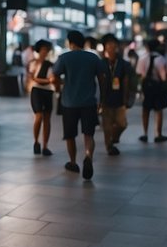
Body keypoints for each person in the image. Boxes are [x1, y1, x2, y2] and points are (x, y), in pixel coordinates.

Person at [51, 30, 104, 180]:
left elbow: (54, 76)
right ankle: (88, 155)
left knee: (70, 135)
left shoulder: (64, 57)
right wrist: (102, 100)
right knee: (89, 134)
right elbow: (101, 79)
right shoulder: (93, 58)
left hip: (69, 102)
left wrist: (57, 88)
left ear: (70, 42)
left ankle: (73, 162)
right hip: (89, 102)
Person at [100, 34, 132, 156]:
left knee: (122, 124)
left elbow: (127, 81)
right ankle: (109, 147)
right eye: (109, 46)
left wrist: (127, 98)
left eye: (114, 46)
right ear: (105, 48)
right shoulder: (101, 63)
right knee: (106, 126)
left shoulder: (123, 64)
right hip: (105, 99)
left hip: (119, 99)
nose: (112, 48)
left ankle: (114, 137)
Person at [137, 39, 167, 143]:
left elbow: (139, 74)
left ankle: (145, 133)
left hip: (146, 87)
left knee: (145, 110)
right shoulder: (160, 59)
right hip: (157, 87)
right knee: (158, 110)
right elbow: (164, 76)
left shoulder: (142, 58)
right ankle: (158, 134)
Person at [26, 39, 55, 157]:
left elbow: (52, 79)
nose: (45, 52)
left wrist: (44, 81)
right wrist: (47, 81)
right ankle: (36, 141)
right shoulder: (34, 63)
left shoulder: (51, 65)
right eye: (43, 49)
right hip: (37, 91)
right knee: (38, 116)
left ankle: (45, 145)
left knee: (47, 118)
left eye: (46, 50)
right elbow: (33, 78)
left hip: (48, 91)